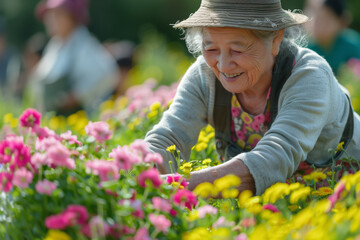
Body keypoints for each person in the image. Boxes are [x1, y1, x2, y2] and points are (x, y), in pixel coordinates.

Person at [144, 0, 360, 196]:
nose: (223, 65)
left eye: (237, 50)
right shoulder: (205, 76)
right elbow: (168, 137)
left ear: (277, 38)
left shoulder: (310, 76)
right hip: (282, 211)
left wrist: (176, 185)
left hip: (347, 202)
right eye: (211, 48)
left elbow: (273, 159)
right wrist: (137, 170)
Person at [28, 0, 117, 116]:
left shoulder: (83, 44)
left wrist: (75, 97)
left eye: (58, 14)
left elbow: (107, 74)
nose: (51, 20)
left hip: (81, 120)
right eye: (50, 15)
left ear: (72, 17)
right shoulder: (55, 45)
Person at [306, 0, 360, 75]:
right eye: (316, 18)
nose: (320, 25)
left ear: (341, 21)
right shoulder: (304, 48)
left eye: (325, 19)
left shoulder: (352, 44)